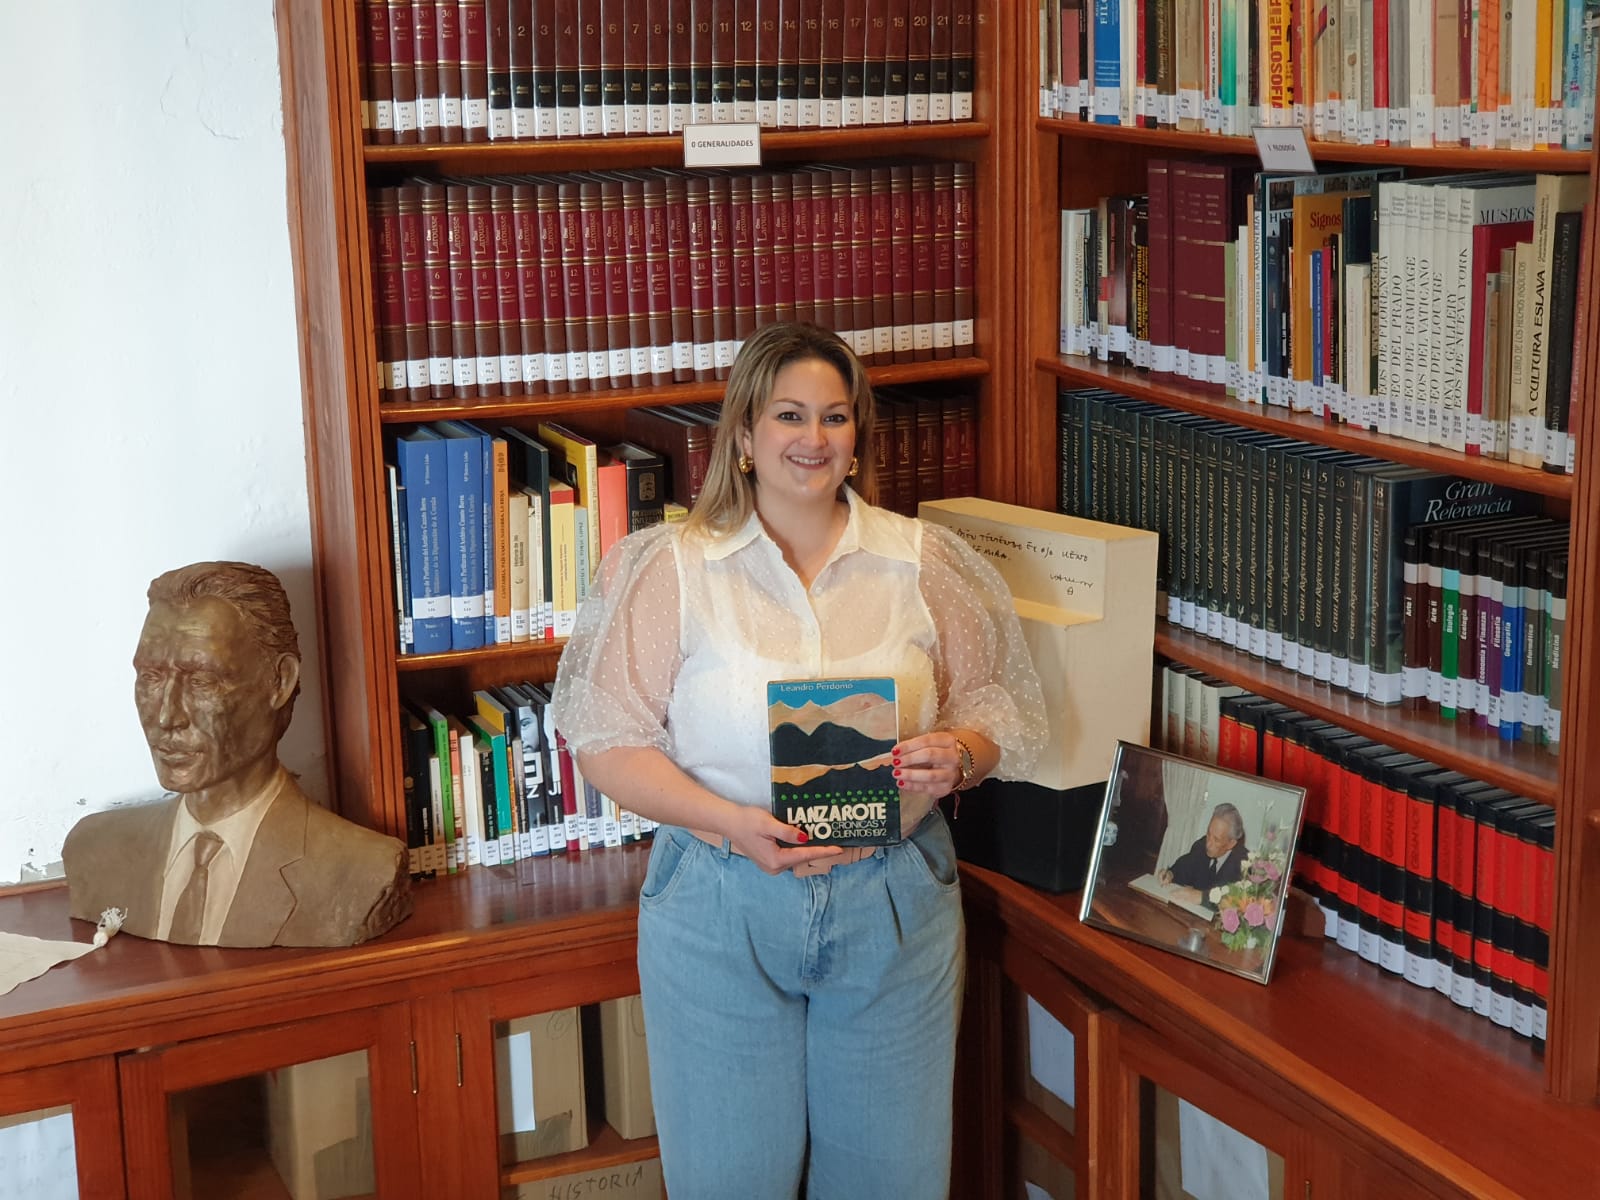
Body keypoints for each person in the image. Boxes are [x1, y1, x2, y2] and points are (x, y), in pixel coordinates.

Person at [552, 322, 1047, 1198]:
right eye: (789, 415)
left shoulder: (922, 561)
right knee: (730, 1182)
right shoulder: (673, 567)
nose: (813, 438)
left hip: (892, 901)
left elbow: (995, 709)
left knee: (890, 1185)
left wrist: (959, 756)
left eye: (834, 416)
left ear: (858, 435)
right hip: (719, 903)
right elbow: (605, 741)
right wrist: (729, 824)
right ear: (744, 435)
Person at [63, 561, 411, 947]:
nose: (166, 716)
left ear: (279, 681)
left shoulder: (362, 870)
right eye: (151, 677)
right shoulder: (93, 848)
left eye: (201, 681)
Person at [1159, 801, 1249, 904]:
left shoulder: (1245, 865)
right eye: (1208, 833)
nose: (1208, 843)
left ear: (1231, 844)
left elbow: (1233, 901)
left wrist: (1202, 897)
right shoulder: (1201, 845)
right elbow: (1184, 867)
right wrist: (1170, 874)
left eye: (1216, 840)